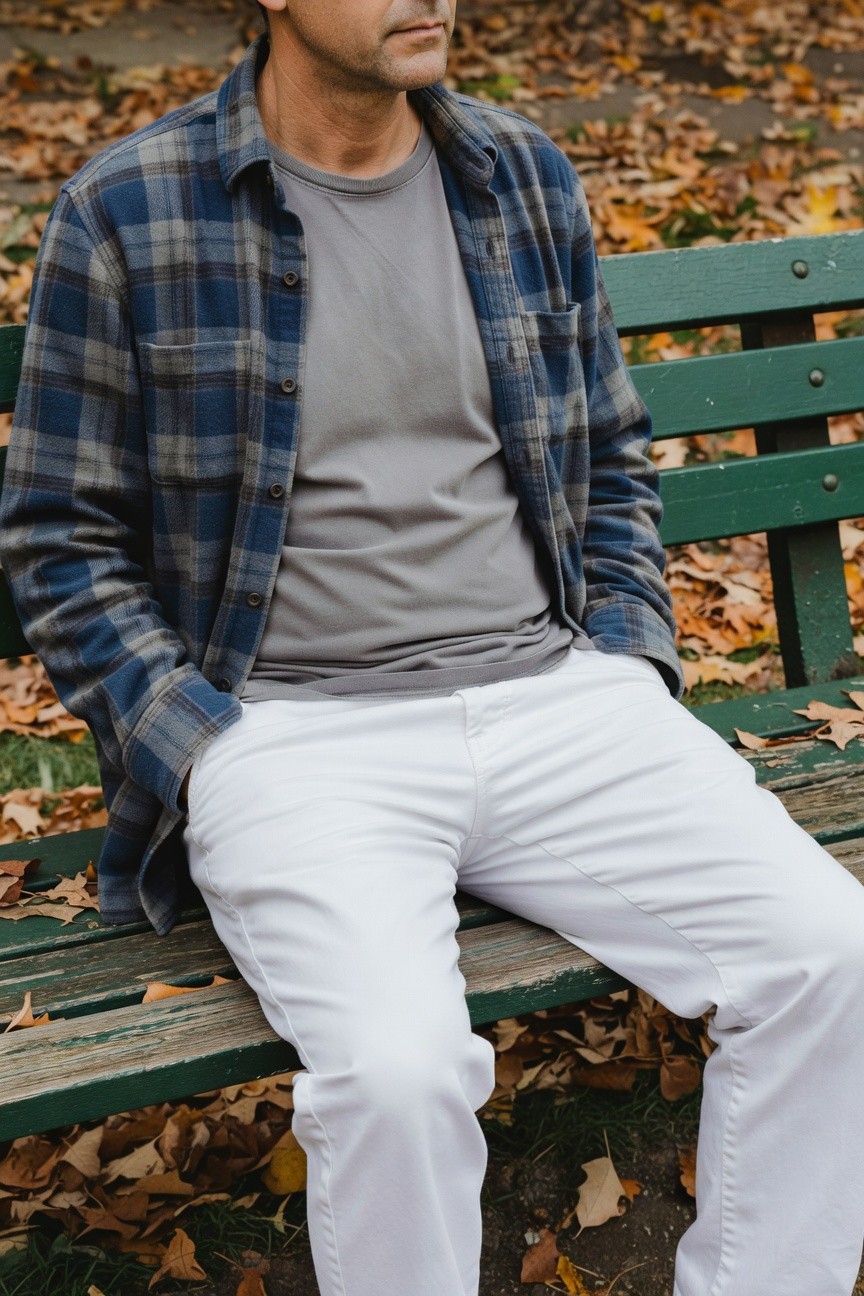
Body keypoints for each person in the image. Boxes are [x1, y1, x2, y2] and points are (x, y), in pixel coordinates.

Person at [2, 1, 864, 1292]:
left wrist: (625, 660)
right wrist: (200, 746)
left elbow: (613, 457)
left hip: (559, 702)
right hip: (295, 735)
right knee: (400, 1077)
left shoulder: (517, 176)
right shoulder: (129, 209)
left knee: (830, 958)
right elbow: (59, 537)